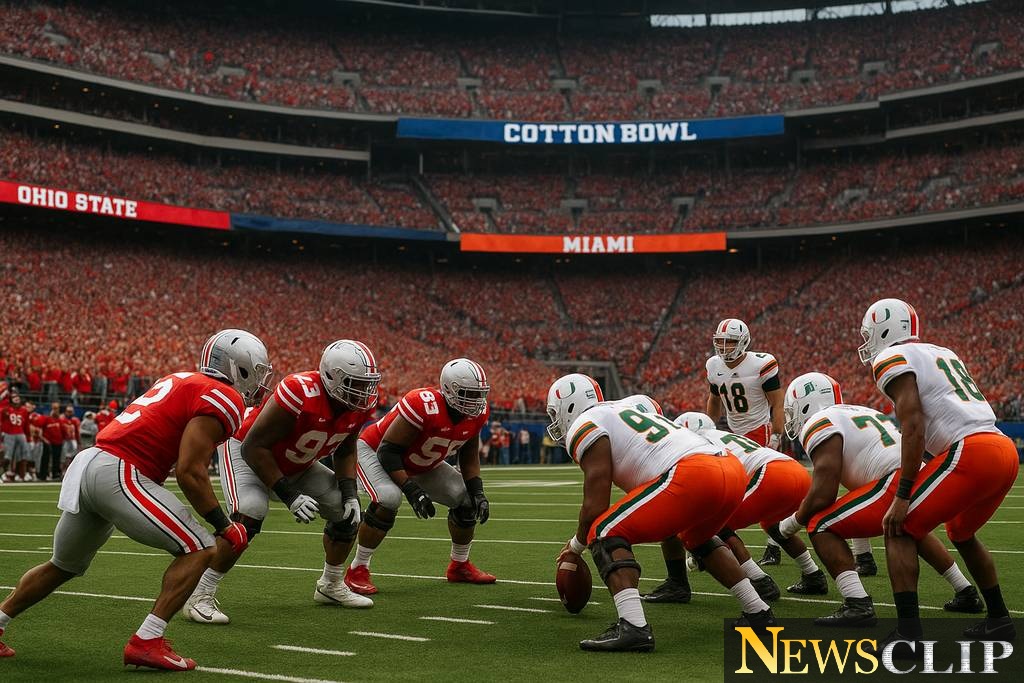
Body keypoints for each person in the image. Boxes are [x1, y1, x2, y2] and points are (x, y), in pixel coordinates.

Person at [0, 329, 271, 670]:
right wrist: (224, 524)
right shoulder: (221, 394)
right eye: (257, 371)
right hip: (121, 470)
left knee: (63, 565)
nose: (260, 382)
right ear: (239, 367)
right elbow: (190, 471)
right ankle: (148, 640)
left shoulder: (180, 378)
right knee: (202, 547)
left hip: (91, 464)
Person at [548, 374, 775, 653]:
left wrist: (575, 547)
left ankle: (634, 626)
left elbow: (596, 506)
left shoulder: (586, 423)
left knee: (604, 530)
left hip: (695, 471)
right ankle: (758, 612)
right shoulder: (624, 408)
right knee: (697, 537)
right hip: (730, 467)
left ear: (568, 407)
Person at [858, 299, 1018, 650]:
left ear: (887, 329)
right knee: (961, 532)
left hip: (971, 450)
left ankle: (909, 635)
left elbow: (913, 424)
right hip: (1002, 449)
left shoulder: (890, 358)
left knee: (898, 526)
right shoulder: (942, 352)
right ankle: (999, 619)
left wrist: (902, 495)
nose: (868, 342)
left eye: (871, 333)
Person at [183, 340, 380, 624]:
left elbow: (346, 447)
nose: (363, 391)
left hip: (296, 462)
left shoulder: (355, 403)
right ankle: (199, 594)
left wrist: (350, 491)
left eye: (366, 384)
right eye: (355, 383)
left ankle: (331, 585)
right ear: (332, 377)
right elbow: (254, 447)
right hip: (247, 452)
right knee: (250, 513)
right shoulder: (300, 390)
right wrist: (289, 495)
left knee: (346, 511)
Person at [777, 371, 983, 626]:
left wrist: (792, 523)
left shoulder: (819, 421)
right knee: (909, 529)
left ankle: (857, 603)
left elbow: (823, 494)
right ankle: (966, 591)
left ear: (806, 403)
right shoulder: (860, 411)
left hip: (894, 481)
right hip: (918, 476)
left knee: (820, 524)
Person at [345, 358, 495, 595]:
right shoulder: (422, 403)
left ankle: (459, 565)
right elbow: (388, 451)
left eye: (479, 394)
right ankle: (358, 569)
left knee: (467, 500)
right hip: (375, 451)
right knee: (388, 498)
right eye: (468, 393)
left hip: (421, 462)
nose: (474, 401)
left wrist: (478, 492)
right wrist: (411, 490)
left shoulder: (478, 413)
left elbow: (468, 455)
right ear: (449, 389)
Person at [704, 319, 787, 566]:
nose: (724, 347)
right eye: (720, 342)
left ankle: (774, 545)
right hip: (731, 433)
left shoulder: (762, 363)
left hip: (757, 431)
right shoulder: (713, 365)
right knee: (727, 490)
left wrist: (776, 435)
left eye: (729, 342)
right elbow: (714, 399)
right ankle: (725, 541)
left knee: (763, 493)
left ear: (743, 341)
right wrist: (707, 429)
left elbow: (777, 402)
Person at [1, 395, 31, 482]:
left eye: (18, 397)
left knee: (23, 456)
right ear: (11, 400)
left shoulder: (24, 410)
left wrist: (28, 436)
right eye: (14, 397)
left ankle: (21, 474)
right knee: (7, 456)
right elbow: (2, 421)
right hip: (9, 434)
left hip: (21, 433)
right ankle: (4, 473)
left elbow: (26, 425)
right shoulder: (6, 409)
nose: (17, 398)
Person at [41, 403, 65, 482]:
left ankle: (55, 474)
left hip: (58, 442)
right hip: (48, 442)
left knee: (56, 459)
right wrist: (43, 439)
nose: (56, 410)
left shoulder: (60, 420)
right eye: (54, 408)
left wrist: (63, 439)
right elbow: (40, 429)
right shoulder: (46, 419)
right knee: (46, 459)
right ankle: (43, 475)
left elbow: (63, 431)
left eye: (57, 408)